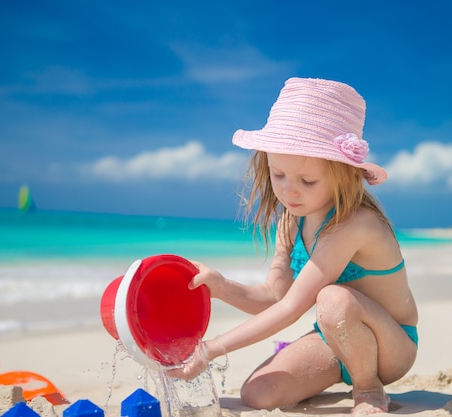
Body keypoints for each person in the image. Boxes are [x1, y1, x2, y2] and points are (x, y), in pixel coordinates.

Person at [173, 77, 418, 415]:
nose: (289, 191)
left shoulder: (351, 224)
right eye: (279, 175)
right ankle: (331, 375)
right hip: (337, 339)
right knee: (258, 394)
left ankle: (367, 388)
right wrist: (222, 287)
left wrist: (210, 349)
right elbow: (276, 297)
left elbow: (291, 309)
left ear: (345, 174)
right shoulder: (291, 221)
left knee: (332, 298)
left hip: (392, 346)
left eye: (307, 180)